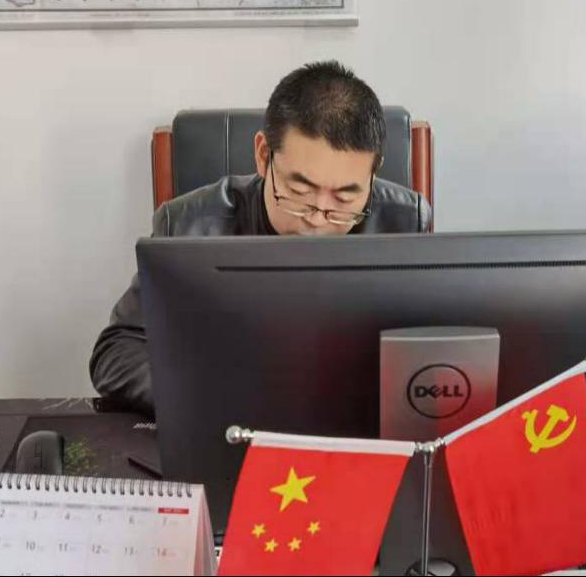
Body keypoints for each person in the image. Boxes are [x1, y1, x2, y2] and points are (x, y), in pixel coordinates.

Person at [90, 61, 433, 413]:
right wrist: (208, 396)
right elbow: (117, 350)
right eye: (300, 191)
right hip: (231, 420)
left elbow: (431, 349)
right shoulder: (189, 225)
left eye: (345, 198)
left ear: (373, 174)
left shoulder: (405, 220)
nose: (318, 219)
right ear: (263, 155)